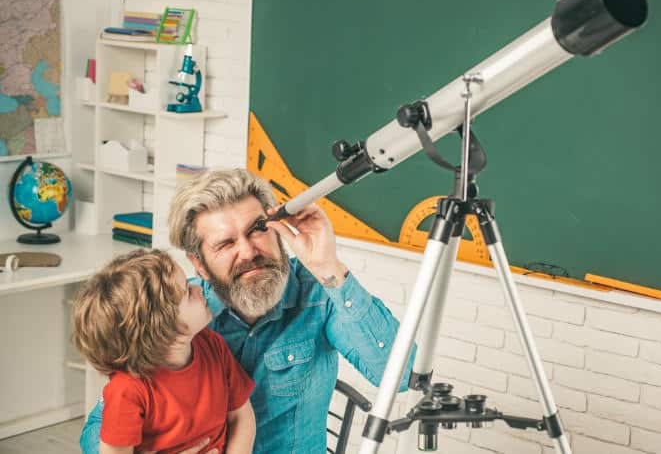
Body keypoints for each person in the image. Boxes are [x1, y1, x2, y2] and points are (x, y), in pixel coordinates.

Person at [80, 168, 414, 453]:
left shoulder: (321, 291)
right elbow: (99, 428)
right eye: (225, 244)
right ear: (200, 264)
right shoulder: (175, 315)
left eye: (257, 229)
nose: (248, 251)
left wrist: (329, 268)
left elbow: (400, 376)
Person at [73, 249, 255, 454]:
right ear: (163, 330)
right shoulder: (128, 390)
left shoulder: (213, 346)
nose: (198, 288)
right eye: (187, 292)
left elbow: (242, 416)